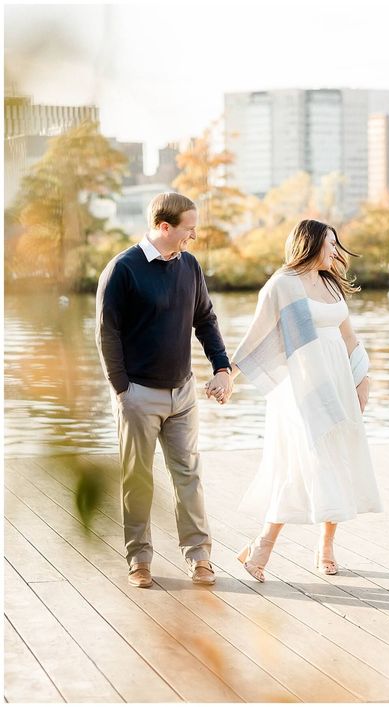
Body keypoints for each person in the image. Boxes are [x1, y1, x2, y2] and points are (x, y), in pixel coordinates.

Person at [207, 219, 383, 580]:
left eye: (336, 244)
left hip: (339, 382)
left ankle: (325, 548)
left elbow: (348, 336)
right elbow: (256, 337)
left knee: (337, 461)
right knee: (303, 465)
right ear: (310, 244)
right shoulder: (282, 285)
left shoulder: (331, 283)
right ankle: (262, 545)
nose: (335, 251)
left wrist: (362, 379)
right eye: (330, 244)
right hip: (300, 389)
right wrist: (227, 374)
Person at [96, 192, 233, 588]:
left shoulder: (189, 266)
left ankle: (200, 557)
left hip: (183, 393)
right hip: (138, 394)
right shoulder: (122, 269)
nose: (194, 234)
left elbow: (205, 320)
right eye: (188, 227)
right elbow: (107, 334)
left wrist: (221, 367)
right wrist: (123, 391)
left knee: (189, 475)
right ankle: (139, 559)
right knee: (137, 478)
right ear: (165, 227)